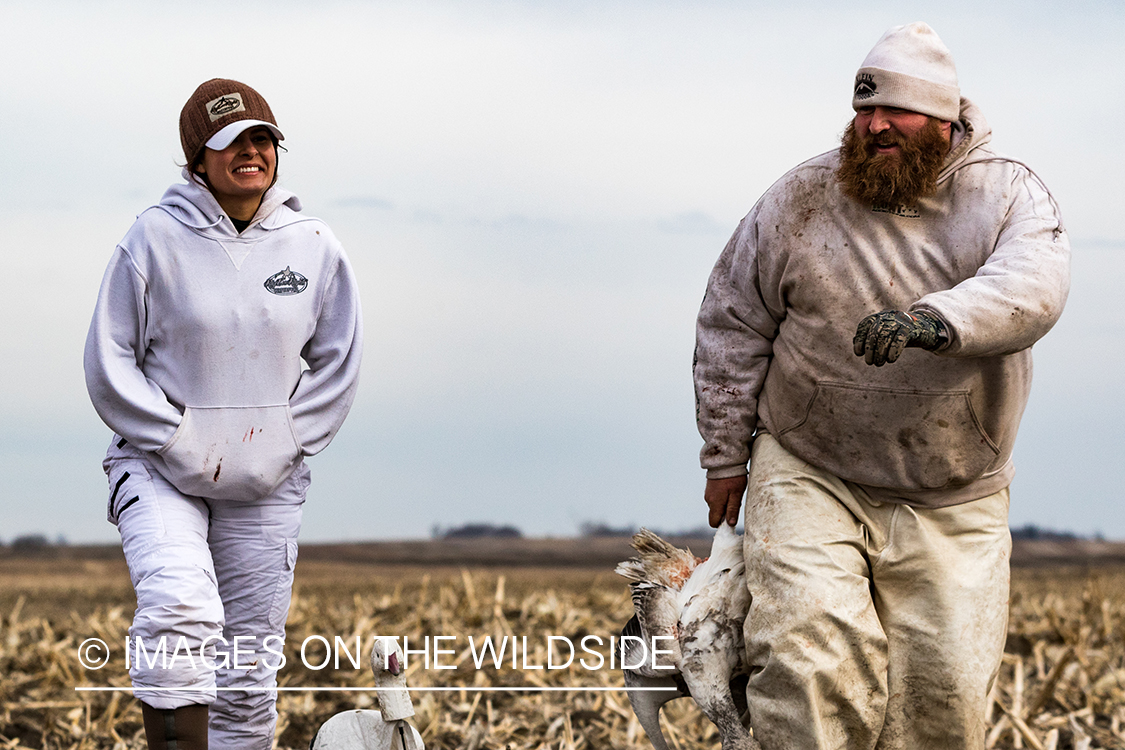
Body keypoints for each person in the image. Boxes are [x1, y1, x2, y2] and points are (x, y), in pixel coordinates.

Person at [693, 23, 1068, 750]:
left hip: (954, 488)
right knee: (808, 664)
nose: (873, 126)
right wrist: (725, 453)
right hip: (810, 467)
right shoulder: (799, 199)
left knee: (941, 703)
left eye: (894, 110)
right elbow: (730, 321)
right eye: (864, 109)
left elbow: (1035, 289)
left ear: (943, 119)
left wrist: (932, 321)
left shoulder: (1008, 195)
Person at [84, 78, 363, 749]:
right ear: (196, 159)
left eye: (262, 138)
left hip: (267, 482)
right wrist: (176, 438)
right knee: (177, 609)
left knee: (245, 671)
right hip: (159, 469)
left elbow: (339, 360)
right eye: (230, 141)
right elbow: (109, 358)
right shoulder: (152, 238)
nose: (250, 152)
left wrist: (286, 440)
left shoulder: (313, 244)